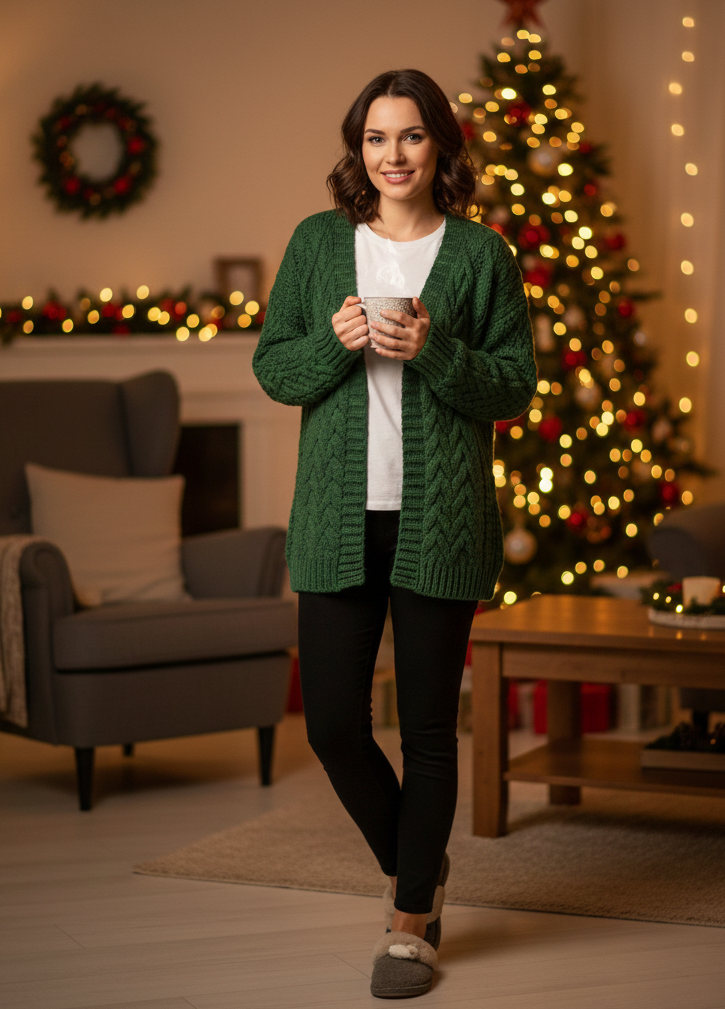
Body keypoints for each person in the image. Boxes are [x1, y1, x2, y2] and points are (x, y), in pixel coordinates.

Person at [253, 68, 536, 998]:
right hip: (336, 522)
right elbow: (274, 370)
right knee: (334, 721)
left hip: (439, 522)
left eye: (411, 136)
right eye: (377, 138)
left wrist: (438, 352)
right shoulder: (314, 244)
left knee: (425, 730)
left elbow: (514, 386)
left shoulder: (481, 255)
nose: (393, 155)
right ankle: (417, 866)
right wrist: (332, 342)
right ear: (357, 149)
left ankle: (409, 921)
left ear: (440, 145)